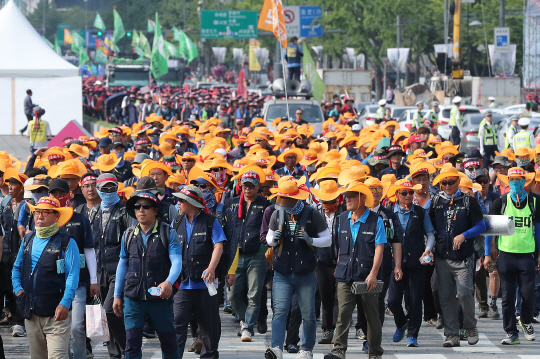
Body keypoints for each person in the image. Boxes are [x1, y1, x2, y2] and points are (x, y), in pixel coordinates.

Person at [265, 179, 331, 359]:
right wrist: (274, 239)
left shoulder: (311, 214)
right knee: (280, 311)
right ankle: (276, 347)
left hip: (306, 274)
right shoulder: (276, 213)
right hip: (282, 273)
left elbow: (327, 240)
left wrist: (311, 240)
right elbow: (268, 239)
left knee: (308, 313)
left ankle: (306, 349)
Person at [112, 190, 182, 359]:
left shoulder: (168, 232)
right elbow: (123, 264)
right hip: (133, 298)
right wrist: (116, 295)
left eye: (146, 206)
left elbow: (177, 262)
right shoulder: (128, 234)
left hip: (160, 299)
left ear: (155, 210)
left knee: (169, 343)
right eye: (137, 207)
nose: (141, 210)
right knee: (132, 345)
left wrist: (169, 282)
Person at [11, 196, 79, 359]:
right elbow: (16, 268)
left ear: (56, 217)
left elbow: (72, 276)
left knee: (58, 356)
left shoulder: (67, 242)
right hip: (32, 314)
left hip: (57, 315)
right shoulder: (28, 239)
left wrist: (65, 302)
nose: (39, 216)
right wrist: (19, 290)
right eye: (37, 213)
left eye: (45, 213)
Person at [324, 182, 385, 359]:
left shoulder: (376, 220)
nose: (347, 199)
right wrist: (338, 265)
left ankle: (375, 351)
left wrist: (373, 273)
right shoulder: (342, 217)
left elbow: (379, 249)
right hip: (345, 273)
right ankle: (339, 350)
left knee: (371, 316)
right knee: (343, 313)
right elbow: (340, 245)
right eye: (346, 196)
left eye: (351, 196)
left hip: (367, 275)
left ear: (362, 198)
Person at [428, 166, 485, 347]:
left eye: (450, 182)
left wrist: (464, 235)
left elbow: (481, 226)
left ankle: (470, 326)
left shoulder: (468, 201)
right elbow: (429, 228)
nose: (447, 185)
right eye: (443, 182)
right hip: (442, 257)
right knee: (445, 296)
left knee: (465, 293)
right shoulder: (436, 201)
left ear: (458, 181)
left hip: (463, 258)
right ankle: (451, 334)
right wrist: (428, 248)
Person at [485, 168, 540, 344]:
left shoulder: (534, 202)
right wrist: (487, 254)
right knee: (507, 297)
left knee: (528, 294)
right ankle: (511, 332)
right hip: (506, 255)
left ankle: (525, 321)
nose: (516, 183)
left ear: (525, 181)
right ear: (507, 181)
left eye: (519, 179)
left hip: (527, 256)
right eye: (513, 179)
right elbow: (490, 231)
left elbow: (538, 231)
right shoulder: (501, 202)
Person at [172, 185, 226, 359]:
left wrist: (211, 268)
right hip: (182, 285)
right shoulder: (177, 221)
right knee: (177, 324)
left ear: (192, 202)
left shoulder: (211, 221)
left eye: (181, 200)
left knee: (209, 327)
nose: (178, 203)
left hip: (205, 285)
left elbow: (219, 245)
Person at [47, 178, 98, 359]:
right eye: (54, 193)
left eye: (62, 193)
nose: (59, 197)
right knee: (58, 328)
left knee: (77, 326)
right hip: (52, 283)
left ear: (69, 195)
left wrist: (94, 280)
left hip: (78, 282)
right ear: (49, 195)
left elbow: (89, 250)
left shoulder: (80, 219)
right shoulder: (44, 218)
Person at [387, 180, 435, 347]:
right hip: (396, 263)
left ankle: (412, 334)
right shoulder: (389, 213)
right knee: (393, 300)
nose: (408, 196)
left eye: (410, 193)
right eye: (404, 193)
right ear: (397, 195)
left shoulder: (421, 213)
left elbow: (430, 234)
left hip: (416, 261)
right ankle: (401, 323)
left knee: (415, 301)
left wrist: (428, 249)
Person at [225, 167, 270, 342]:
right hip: (235, 256)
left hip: (256, 254)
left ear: (258, 186)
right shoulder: (232, 202)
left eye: (251, 186)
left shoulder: (265, 204)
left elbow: (270, 229)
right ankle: (245, 320)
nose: (247, 189)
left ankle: (248, 328)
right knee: (233, 295)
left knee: (254, 294)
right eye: (244, 185)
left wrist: (266, 250)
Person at [90, 174, 127, 358]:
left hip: (119, 269)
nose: (109, 191)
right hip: (98, 270)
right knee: (107, 314)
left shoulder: (124, 211)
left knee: (110, 310)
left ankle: (127, 348)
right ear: (98, 190)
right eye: (104, 188)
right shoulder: (94, 212)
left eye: (112, 187)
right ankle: (115, 353)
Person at [310, 180, 346, 344]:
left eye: (331, 201)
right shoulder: (315, 212)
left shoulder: (345, 212)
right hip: (322, 260)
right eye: (325, 201)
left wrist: (342, 258)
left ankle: (339, 331)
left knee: (340, 297)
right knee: (326, 296)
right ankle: (327, 330)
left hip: (342, 259)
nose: (328, 205)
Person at [1, 168, 28, 337]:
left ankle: (19, 322)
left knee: (19, 288)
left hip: (20, 255)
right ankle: (12, 317)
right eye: (9, 184)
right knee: (7, 288)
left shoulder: (27, 206)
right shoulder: (5, 204)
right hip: (6, 255)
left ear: (22, 187)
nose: (10, 187)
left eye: (14, 184)